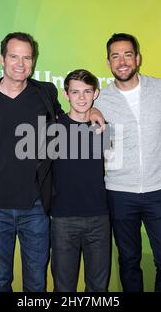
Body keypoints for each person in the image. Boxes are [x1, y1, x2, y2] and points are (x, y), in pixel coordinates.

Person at [0, 32, 104, 292]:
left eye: (27, 57)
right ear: (2, 59)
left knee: (37, 283)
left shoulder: (45, 92)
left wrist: (93, 109)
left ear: (33, 61)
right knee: (0, 282)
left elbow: (69, 119)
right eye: (14, 56)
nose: (20, 63)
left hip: (36, 208)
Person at [94, 33, 161, 292]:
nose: (122, 61)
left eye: (127, 54)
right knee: (129, 261)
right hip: (119, 192)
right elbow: (98, 144)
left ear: (138, 58)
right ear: (108, 62)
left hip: (158, 190)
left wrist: (155, 151)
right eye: (115, 56)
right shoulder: (100, 99)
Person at [50, 69, 111, 292]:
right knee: (64, 287)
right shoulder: (52, 130)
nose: (82, 97)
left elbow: (113, 169)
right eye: (75, 92)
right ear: (66, 94)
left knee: (98, 289)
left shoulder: (105, 129)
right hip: (63, 219)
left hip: (99, 217)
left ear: (96, 93)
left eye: (87, 91)